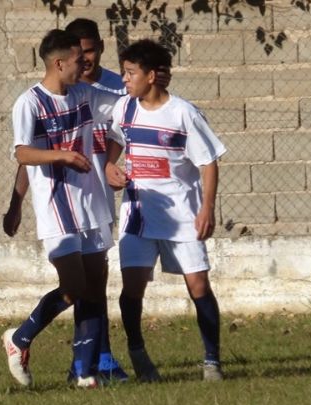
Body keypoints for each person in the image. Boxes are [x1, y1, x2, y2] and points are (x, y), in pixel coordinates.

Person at [2, 19, 132, 383]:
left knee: (93, 287)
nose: (84, 64)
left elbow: (123, 113)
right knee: (74, 287)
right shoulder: (30, 103)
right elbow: (23, 153)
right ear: (60, 63)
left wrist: (109, 160)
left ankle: (85, 373)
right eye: (78, 59)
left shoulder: (85, 95)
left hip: (91, 204)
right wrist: (61, 156)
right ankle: (19, 337)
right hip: (57, 209)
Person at [105, 39, 227, 382]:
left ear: (153, 76)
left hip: (181, 214)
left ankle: (212, 362)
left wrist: (207, 208)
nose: (125, 80)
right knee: (132, 288)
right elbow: (115, 141)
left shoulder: (183, 113)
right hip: (138, 213)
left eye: (131, 73)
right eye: (124, 73)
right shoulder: (125, 108)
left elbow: (209, 162)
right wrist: (107, 166)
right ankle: (139, 355)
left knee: (199, 285)